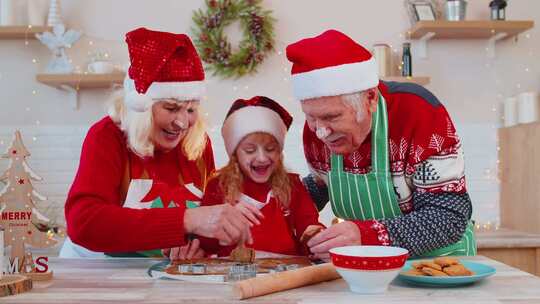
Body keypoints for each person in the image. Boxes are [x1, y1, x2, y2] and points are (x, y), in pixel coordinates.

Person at [61, 28, 252, 258]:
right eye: (170, 108)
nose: (182, 123)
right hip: (97, 274)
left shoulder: (197, 142)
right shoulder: (107, 136)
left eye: (191, 110)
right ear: (141, 106)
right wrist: (185, 220)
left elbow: (205, 224)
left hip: (159, 278)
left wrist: (198, 244)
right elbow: (84, 222)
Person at [286, 29, 476, 258]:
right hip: (373, 268)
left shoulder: (419, 113)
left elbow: (448, 216)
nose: (321, 132)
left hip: (437, 269)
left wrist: (366, 235)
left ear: (370, 99)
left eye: (332, 117)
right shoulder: (315, 131)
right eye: (311, 117)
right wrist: (271, 206)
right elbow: (321, 186)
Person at [198, 96, 324, 257]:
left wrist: (316, 238)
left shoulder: (292, 184)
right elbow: (205, 243)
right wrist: (222, 225)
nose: (262, 158)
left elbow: (308, 225)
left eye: (270, 149)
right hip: (234, 275)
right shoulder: (218, 186)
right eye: (250, 150)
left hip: (285, 274)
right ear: (235, 154)